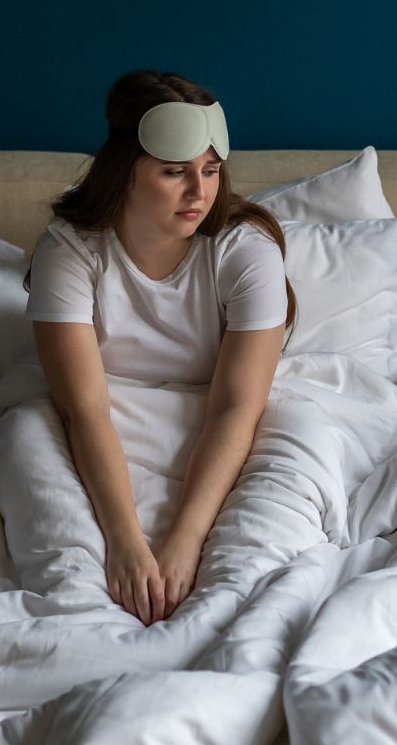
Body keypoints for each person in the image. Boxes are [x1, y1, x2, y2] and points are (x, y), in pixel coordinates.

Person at [25, 71, 296, 626]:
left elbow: (237, 406)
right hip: (105, 414)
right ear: (124, 172)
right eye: (175, 172)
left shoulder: (245, 251)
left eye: (211, 170)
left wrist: (187, 539)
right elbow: (84, 407)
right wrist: (124, 540)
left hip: (218, 414)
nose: (199, 192)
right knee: (24, 451)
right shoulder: (71, 250)